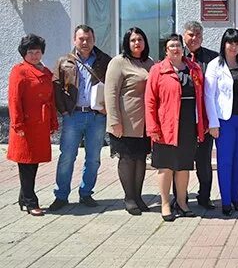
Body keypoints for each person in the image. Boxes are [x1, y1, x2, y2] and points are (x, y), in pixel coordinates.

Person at [145, 34, 207, 221]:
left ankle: (182, 202)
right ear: (166, 50)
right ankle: (165, 204)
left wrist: (202, 123)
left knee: (183, 167)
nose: (175, 48)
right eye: (171, 46)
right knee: (165, 167)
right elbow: (150, 101)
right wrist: (153, 127)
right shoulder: (158, 70)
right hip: (166, 127)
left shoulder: (193, 68)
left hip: (188, 126)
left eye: (178, 45)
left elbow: (201, 98)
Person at [50, 24, 112, 211]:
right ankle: (61, 195)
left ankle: (86, 193)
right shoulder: (64, 61)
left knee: (93, 158)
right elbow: (56, 87)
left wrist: (106, 110)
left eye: (88, 39)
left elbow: (113, 87)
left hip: (96, 117)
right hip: (73, 115)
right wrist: (65, 112)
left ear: (94, 40)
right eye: (81, 39)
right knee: (67, 156)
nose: (85, 42)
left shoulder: (104, 60)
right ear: (74, 40)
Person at [105, 27, 154, 215]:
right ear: (127, 42)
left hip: (144, 122)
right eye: (133, 40)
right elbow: (111, 94)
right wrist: (115, 121)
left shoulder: (149, 62)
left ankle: (139, 196)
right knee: (127, 159)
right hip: (124, 121)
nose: (137, 43)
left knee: (141, 158)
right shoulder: (118, 62)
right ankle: (129, 197)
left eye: (140, 39)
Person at [7, 34, 58, 216]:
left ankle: (23, 198)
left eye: (38, 52)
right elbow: (14, 99)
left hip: (41, 124)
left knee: (33, 162)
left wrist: (52, 120)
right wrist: (17, 124)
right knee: (26, 163)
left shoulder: (44, 71)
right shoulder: (19, 71)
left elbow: (50, 99)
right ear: (24, 53)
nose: (35, 55)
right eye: (31, 52)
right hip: (26, 125)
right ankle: (30, 201)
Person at [205, 28, 238, 216]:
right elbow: (208, 95)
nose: (234, 46)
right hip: (224, 121)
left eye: (237, 43)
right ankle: (225, 202)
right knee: (225, 162)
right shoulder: (215, 65)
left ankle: (235, 199)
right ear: (224, 44)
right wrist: (212, 123)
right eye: (230, 42)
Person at [174, 21, 219, 209]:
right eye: (191, 34)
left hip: (205, 119)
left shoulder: (213, 58)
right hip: (182, 119)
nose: (194, 38)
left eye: (198, 35)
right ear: (184, 35)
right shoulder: (175, 56)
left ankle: (204, 196)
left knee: (204, 162)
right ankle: (179, 198)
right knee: (180, 162)